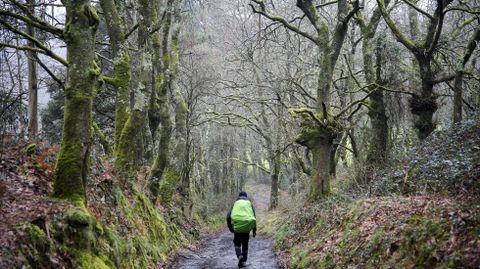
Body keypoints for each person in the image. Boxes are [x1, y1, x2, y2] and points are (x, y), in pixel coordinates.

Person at [226, 191, 257, 268]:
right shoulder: (249, 204)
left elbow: (228, 216)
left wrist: (230, 227)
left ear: (239, 196)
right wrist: (254, 230)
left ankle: (239, 256)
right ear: (246, 197)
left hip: (237, 228)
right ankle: (243, 262)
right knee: (245, 244)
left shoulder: (235, 203)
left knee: (237, 244)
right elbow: (254, 218)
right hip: (246, 228)